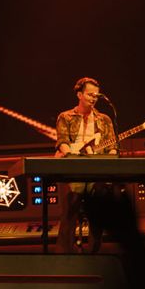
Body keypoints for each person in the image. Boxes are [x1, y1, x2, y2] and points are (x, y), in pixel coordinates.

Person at [55, 76, 118, 253]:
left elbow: (113, 147)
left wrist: (110, 160)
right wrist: (73, 155)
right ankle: (63, 256)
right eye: (90, 94)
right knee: (70, 211)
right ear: (79, 95)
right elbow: (62, 142)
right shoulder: (65, 117)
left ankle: (94, 255)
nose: (93, 98)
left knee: (98, 211)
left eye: (96, 95)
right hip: (72, 170)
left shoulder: (104, 119)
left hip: (96, 172)